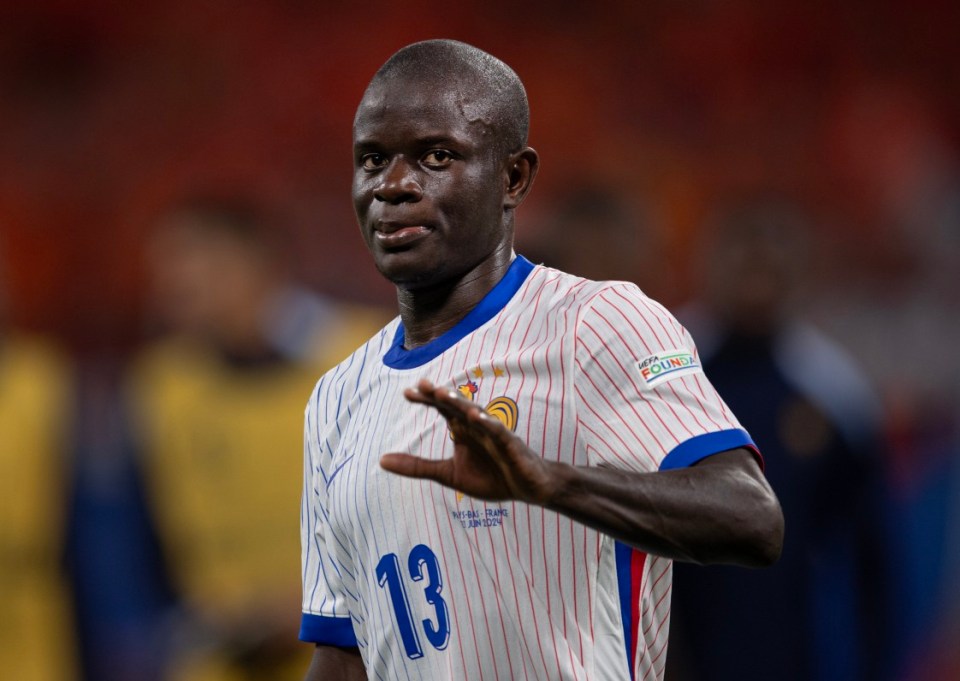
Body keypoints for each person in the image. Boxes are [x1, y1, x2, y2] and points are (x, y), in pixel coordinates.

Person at [299, 39, 784, 681]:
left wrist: (555, 484)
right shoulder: (336, 397)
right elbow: (343, 653)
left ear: (513, 178)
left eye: (436, 156)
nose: (393, 186)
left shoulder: (593, 322)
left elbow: (752, 518)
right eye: (373, 159)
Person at [126, 196, 386, 681]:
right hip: (215, 660)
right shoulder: (160, 385)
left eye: (190, 259)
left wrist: (304, 607)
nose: (171, 284)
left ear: (255, 265)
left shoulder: (365, 358)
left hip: (349, 652)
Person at [663, 198, 888, 681]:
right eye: (742, 254)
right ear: (709, 263)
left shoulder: (834, 391)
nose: (757, 269)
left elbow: (871, 555)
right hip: (672, 644)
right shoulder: (665, 370)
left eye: (772, 255)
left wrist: (874, 660)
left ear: (801, 269)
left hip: (792, 651)